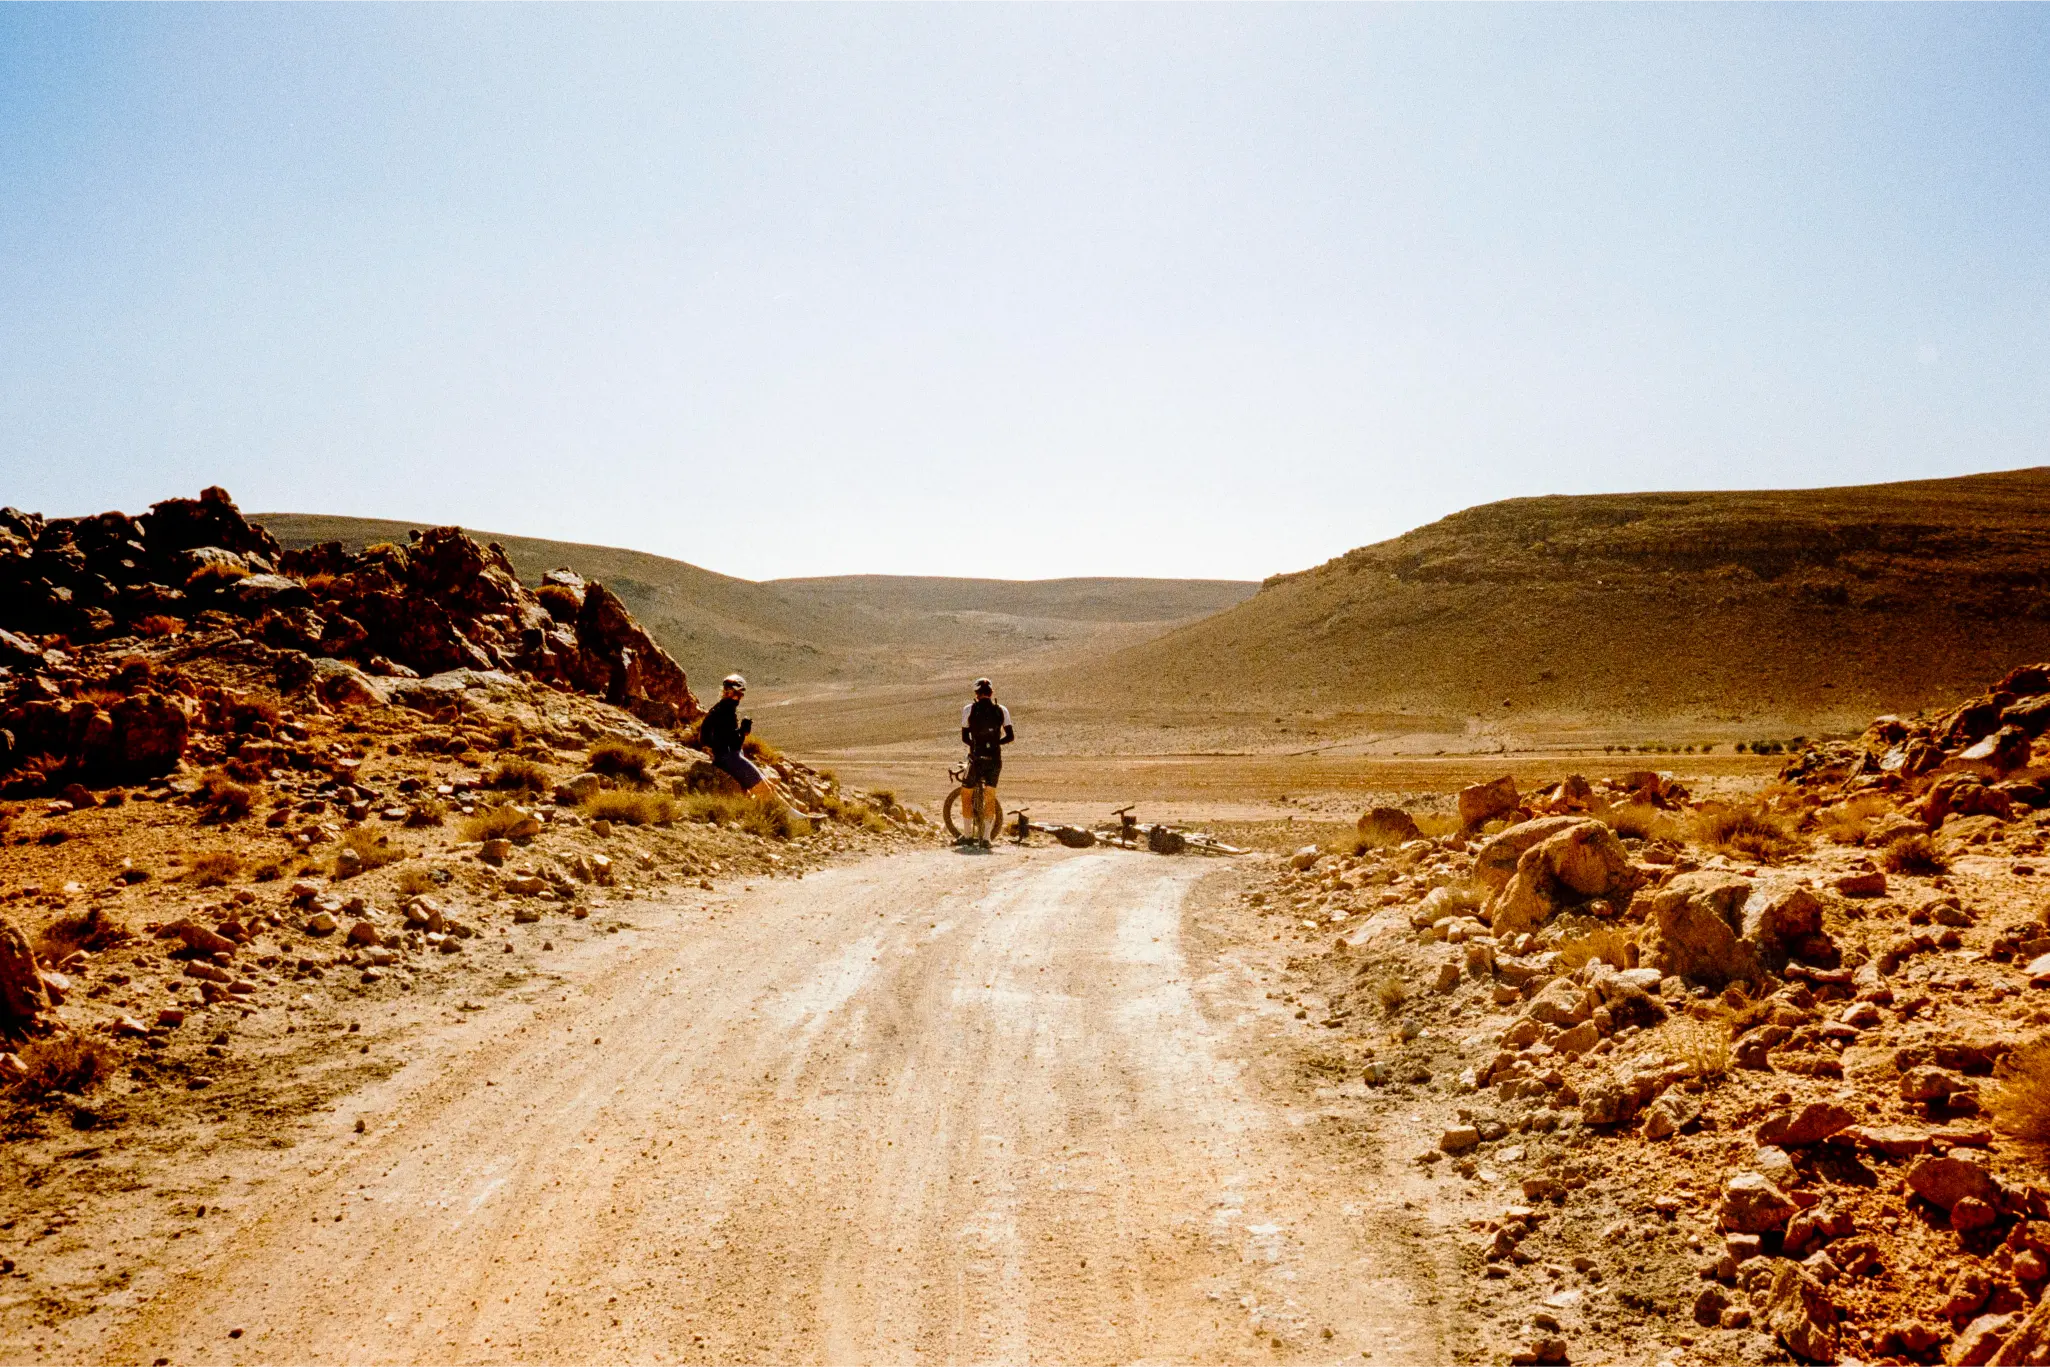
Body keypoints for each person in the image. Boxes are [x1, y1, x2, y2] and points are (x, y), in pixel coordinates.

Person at [699, 674, 817, 818]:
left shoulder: (718, 709)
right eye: (738, 694)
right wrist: (743, 732)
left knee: (768, 785)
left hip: (729, 756)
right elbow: (734, 741)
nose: (739, 698)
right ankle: (787, 818)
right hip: (730, 758)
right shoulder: (725, 711)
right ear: (734, 693)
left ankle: (794, 815)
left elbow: (706, 737)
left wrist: (717, 746)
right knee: (763, 790)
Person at [958, 677, 1014, 848]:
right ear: (991, 693)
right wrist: (996, 744)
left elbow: (964, 737)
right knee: (990, 796)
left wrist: (976, 747)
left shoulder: (969, 709)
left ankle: (968, 835)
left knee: (966, 794)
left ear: (976, 693)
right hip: (995, 760)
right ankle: (987, 838)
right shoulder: (1001, 710)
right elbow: (1010, 736)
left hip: (977, 759)